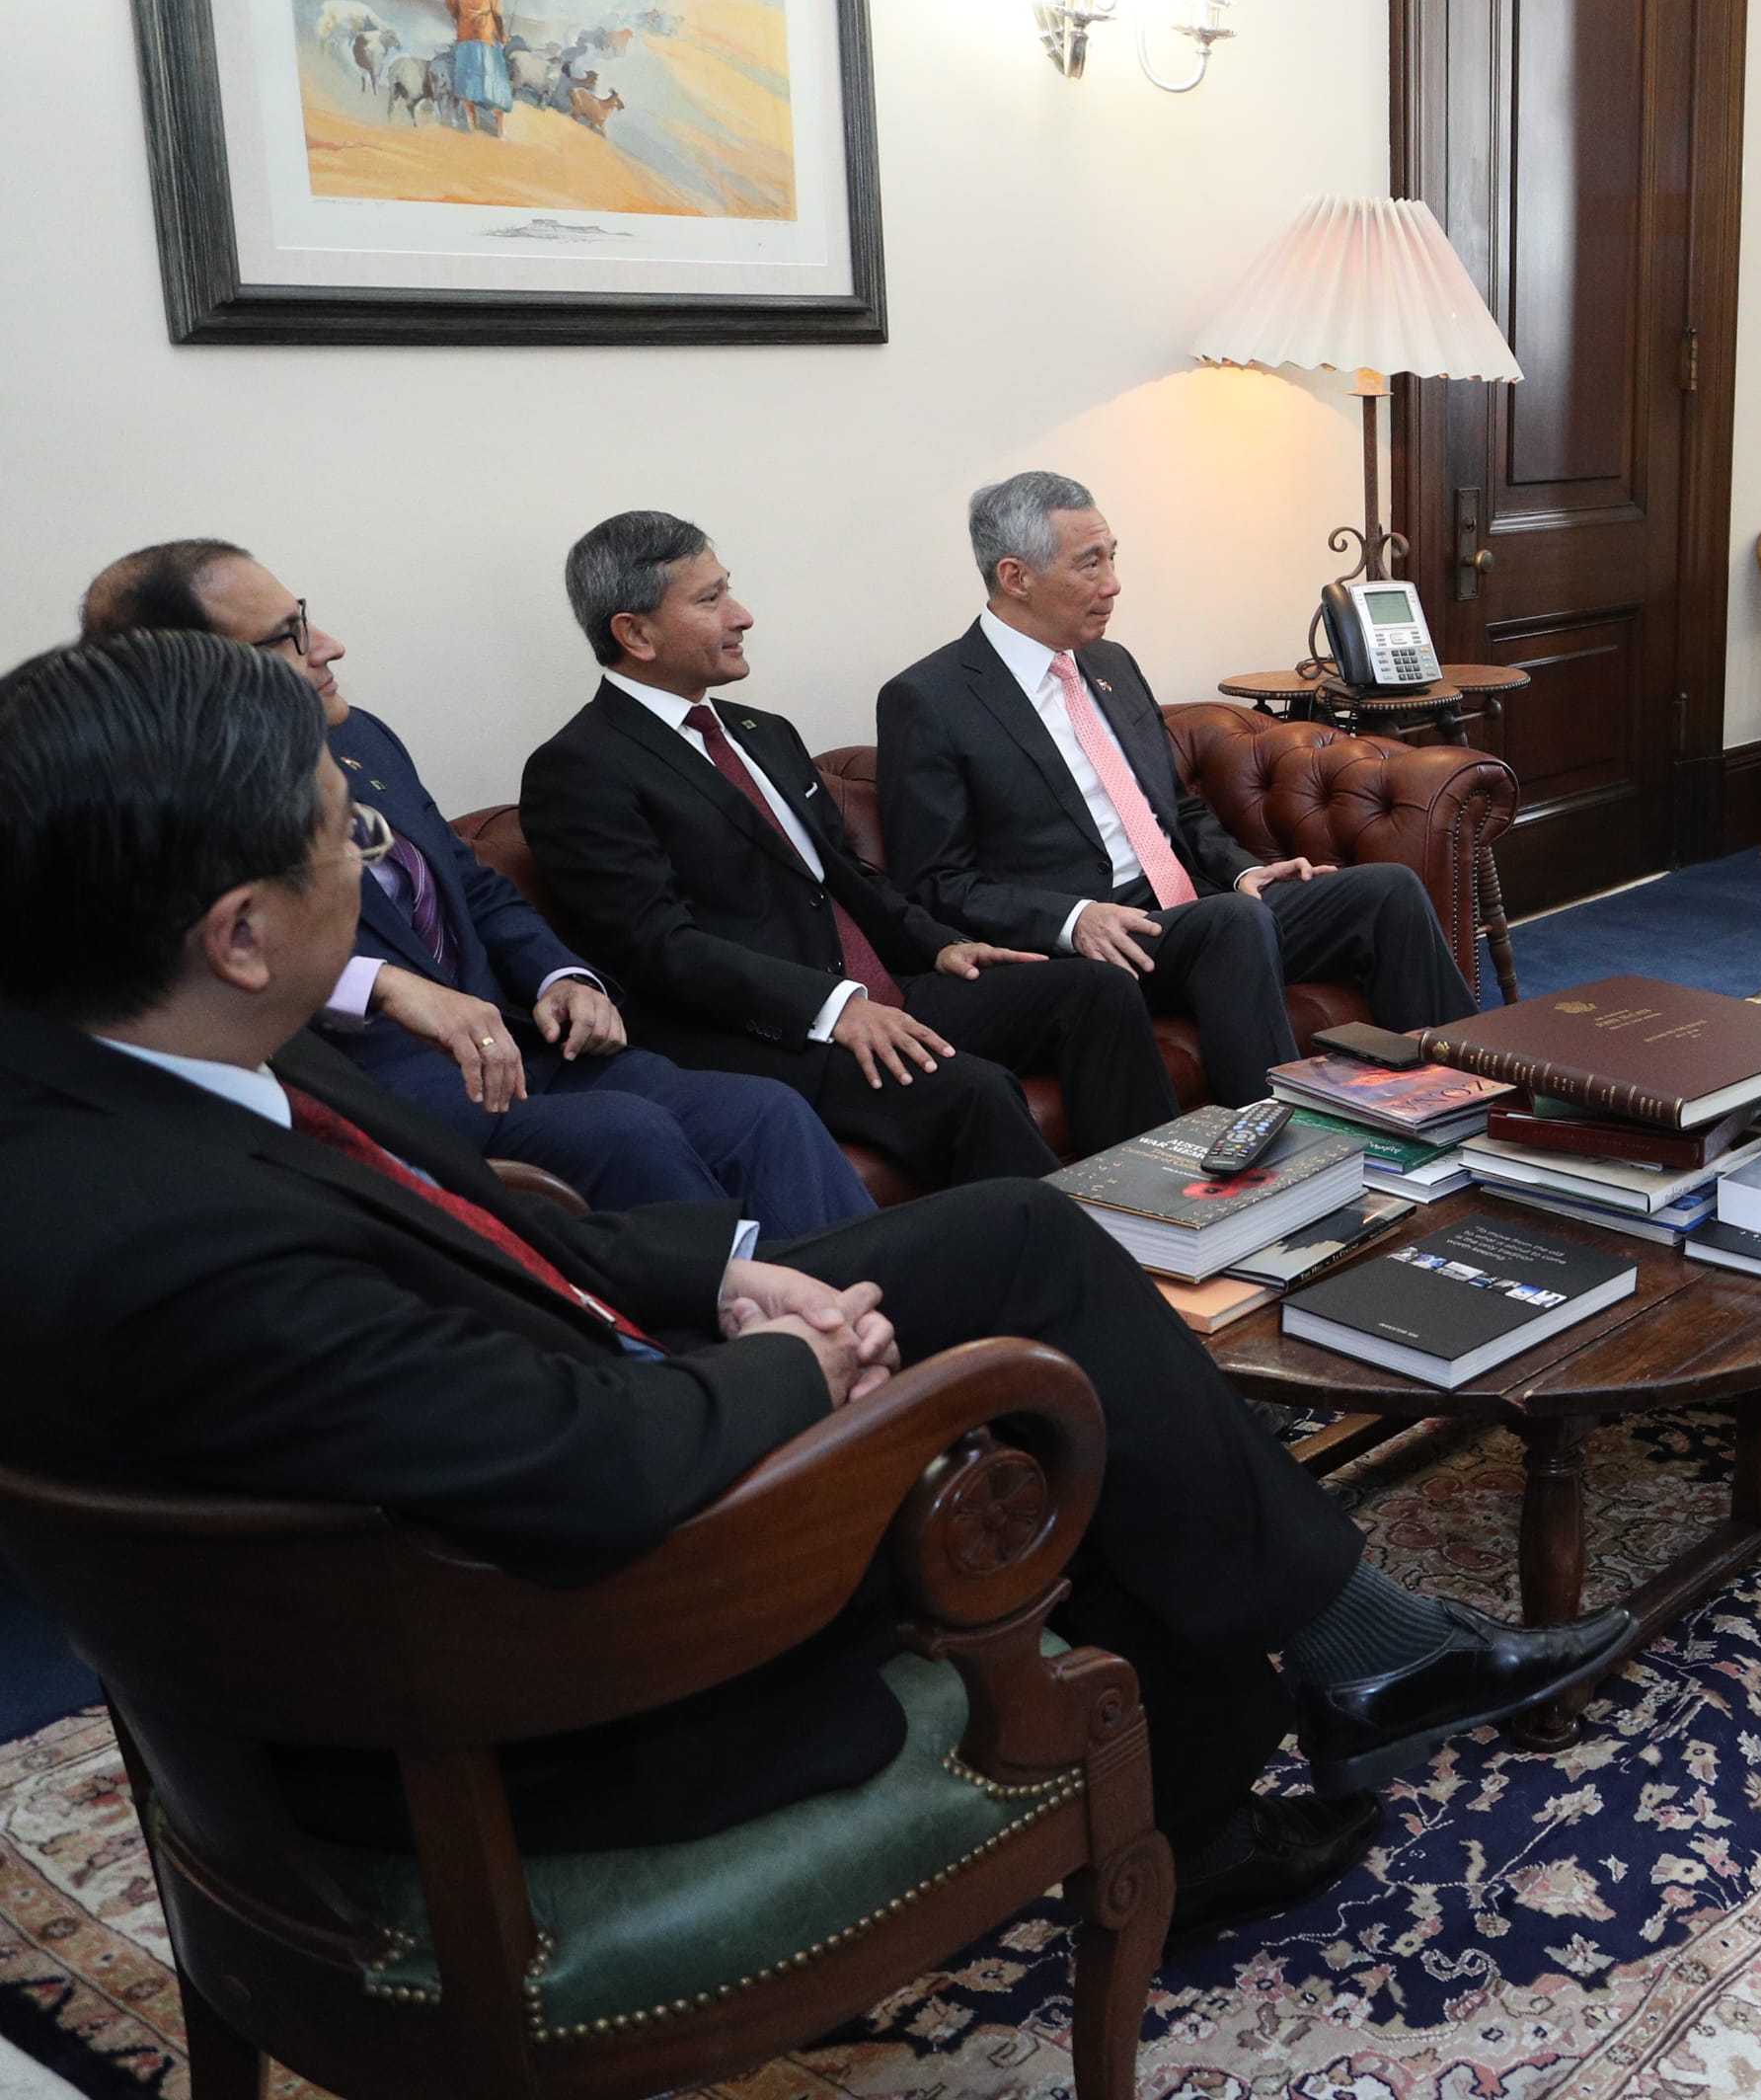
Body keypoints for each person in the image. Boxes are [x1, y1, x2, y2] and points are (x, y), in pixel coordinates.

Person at [0, 630, 1625, 1936]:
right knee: (1074, 1422)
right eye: (330, 838)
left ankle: (1332, 1654)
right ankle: (1240, 1764)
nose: (365, 865)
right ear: (236, 930)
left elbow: (483, 1217)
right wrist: (812, 1368)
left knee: (1025, 1241)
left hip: (552, 1412)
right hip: (563, 1669)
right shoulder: (163, 1239)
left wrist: (729, 1273)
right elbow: (587, 1472)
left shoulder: (152, 1051)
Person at [79, 539, 871, 1237]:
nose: (328, 646)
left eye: (306, 616)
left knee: (766, 1112)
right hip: (387, 1085)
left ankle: (880, 1347)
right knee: (629, 1133)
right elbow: (188, 971)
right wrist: (384, 986)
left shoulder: (359, 738)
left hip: (525, 1044)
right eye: (287, 638)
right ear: (186, 671)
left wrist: (564, 976)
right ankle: (763, 1350)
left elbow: (469, 885)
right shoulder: (147, 811)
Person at [518, 512, 1188, 1191]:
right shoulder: (580, 767)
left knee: (1094, 989)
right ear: (634, 633)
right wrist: (832, 1006)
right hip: (771, 1030)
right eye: (709, 599)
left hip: (879, 987)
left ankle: (1166, 1204)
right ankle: (1090, 1266)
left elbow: (846, 876)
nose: (742, 616)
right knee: (970, 1089)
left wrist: (936, 944)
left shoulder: (761, 731)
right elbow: (658, 946)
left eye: (729, 591)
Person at [873, 472, 1479, 1106]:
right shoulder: (930, 699)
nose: (1112, 584)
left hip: (1198, 906)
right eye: (1089, 564)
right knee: (1231, 925)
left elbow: (1175, 809)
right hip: (1103, 939)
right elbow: (935, 881)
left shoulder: (1109, 663)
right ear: (1016, 577)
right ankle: (1283, 1147)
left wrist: (1246, 873)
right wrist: (1072, 920)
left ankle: (1474, 1094)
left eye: (1112, 558)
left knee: (1385, 891)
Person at [440, 0, 509, 137]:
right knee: (493, 82)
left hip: (465, 33)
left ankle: (473, 128)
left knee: (468, 81)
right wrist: (503, 34)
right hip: (487, 33)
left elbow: (450, 3)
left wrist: (461, 19)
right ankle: (499, 131)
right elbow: (497, 11)